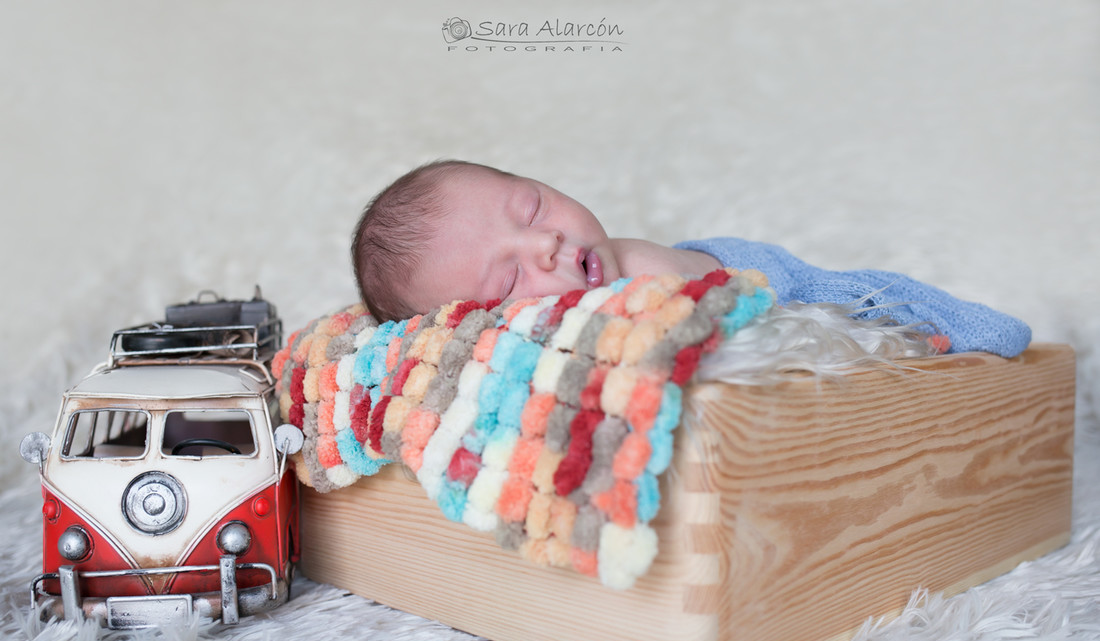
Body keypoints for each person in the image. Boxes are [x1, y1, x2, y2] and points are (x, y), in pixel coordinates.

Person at [351, 160, 1031, 357]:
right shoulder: (552, 344)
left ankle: (964, 332)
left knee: (856, 299)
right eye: (509, 278)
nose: (545, 244)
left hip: (751, 276)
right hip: (743, 329)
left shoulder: (632, 283)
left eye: (531, 208)